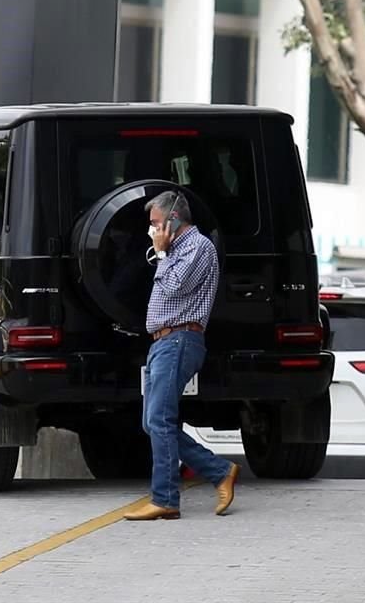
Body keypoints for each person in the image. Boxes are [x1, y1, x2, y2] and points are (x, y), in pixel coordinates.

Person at [124, 191, 240, 520]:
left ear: (174, 219)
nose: (153, 231)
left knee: (159, 420)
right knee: (153, 422)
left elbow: (175, 286)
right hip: (164, 341)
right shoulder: (176, 249)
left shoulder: (197, 247)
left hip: (180, 339)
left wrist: (161, 256)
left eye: (156, 224)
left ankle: (165, 498)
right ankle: (219, 471)